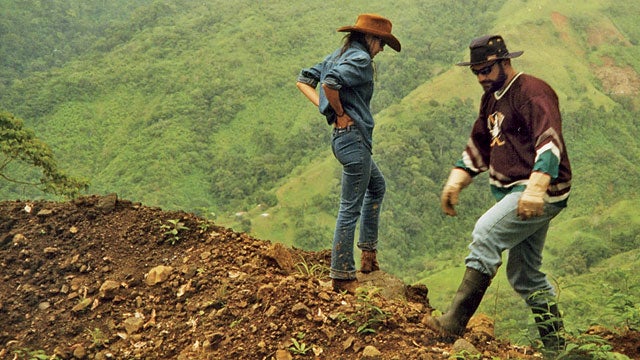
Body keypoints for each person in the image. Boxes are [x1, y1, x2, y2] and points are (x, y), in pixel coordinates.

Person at [424, 35, 572, 352]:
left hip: (538, 189)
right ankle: (558, 347)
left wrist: (536, 186)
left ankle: (452, 325)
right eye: (476, 71)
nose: (481, 77)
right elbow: (482, 141)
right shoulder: (492, 98)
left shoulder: (532, 92)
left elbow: (550, 139)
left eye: (487, 69)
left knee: (485, 235)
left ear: (505, 62)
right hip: (516, 190)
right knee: (525, 275)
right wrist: (458, 177)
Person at [295, 14, 401, 294]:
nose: (382, 51)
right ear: (372, 39)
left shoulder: (339, 54)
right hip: (353, 139)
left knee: (376, 187)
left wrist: (326, 110)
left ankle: (368, 255)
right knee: (349, 207)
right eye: (382, 44)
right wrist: (338, 112)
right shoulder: (361, 59)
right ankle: (342, 274)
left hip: (346, 139)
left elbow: (304, 80)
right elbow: (330, 83)